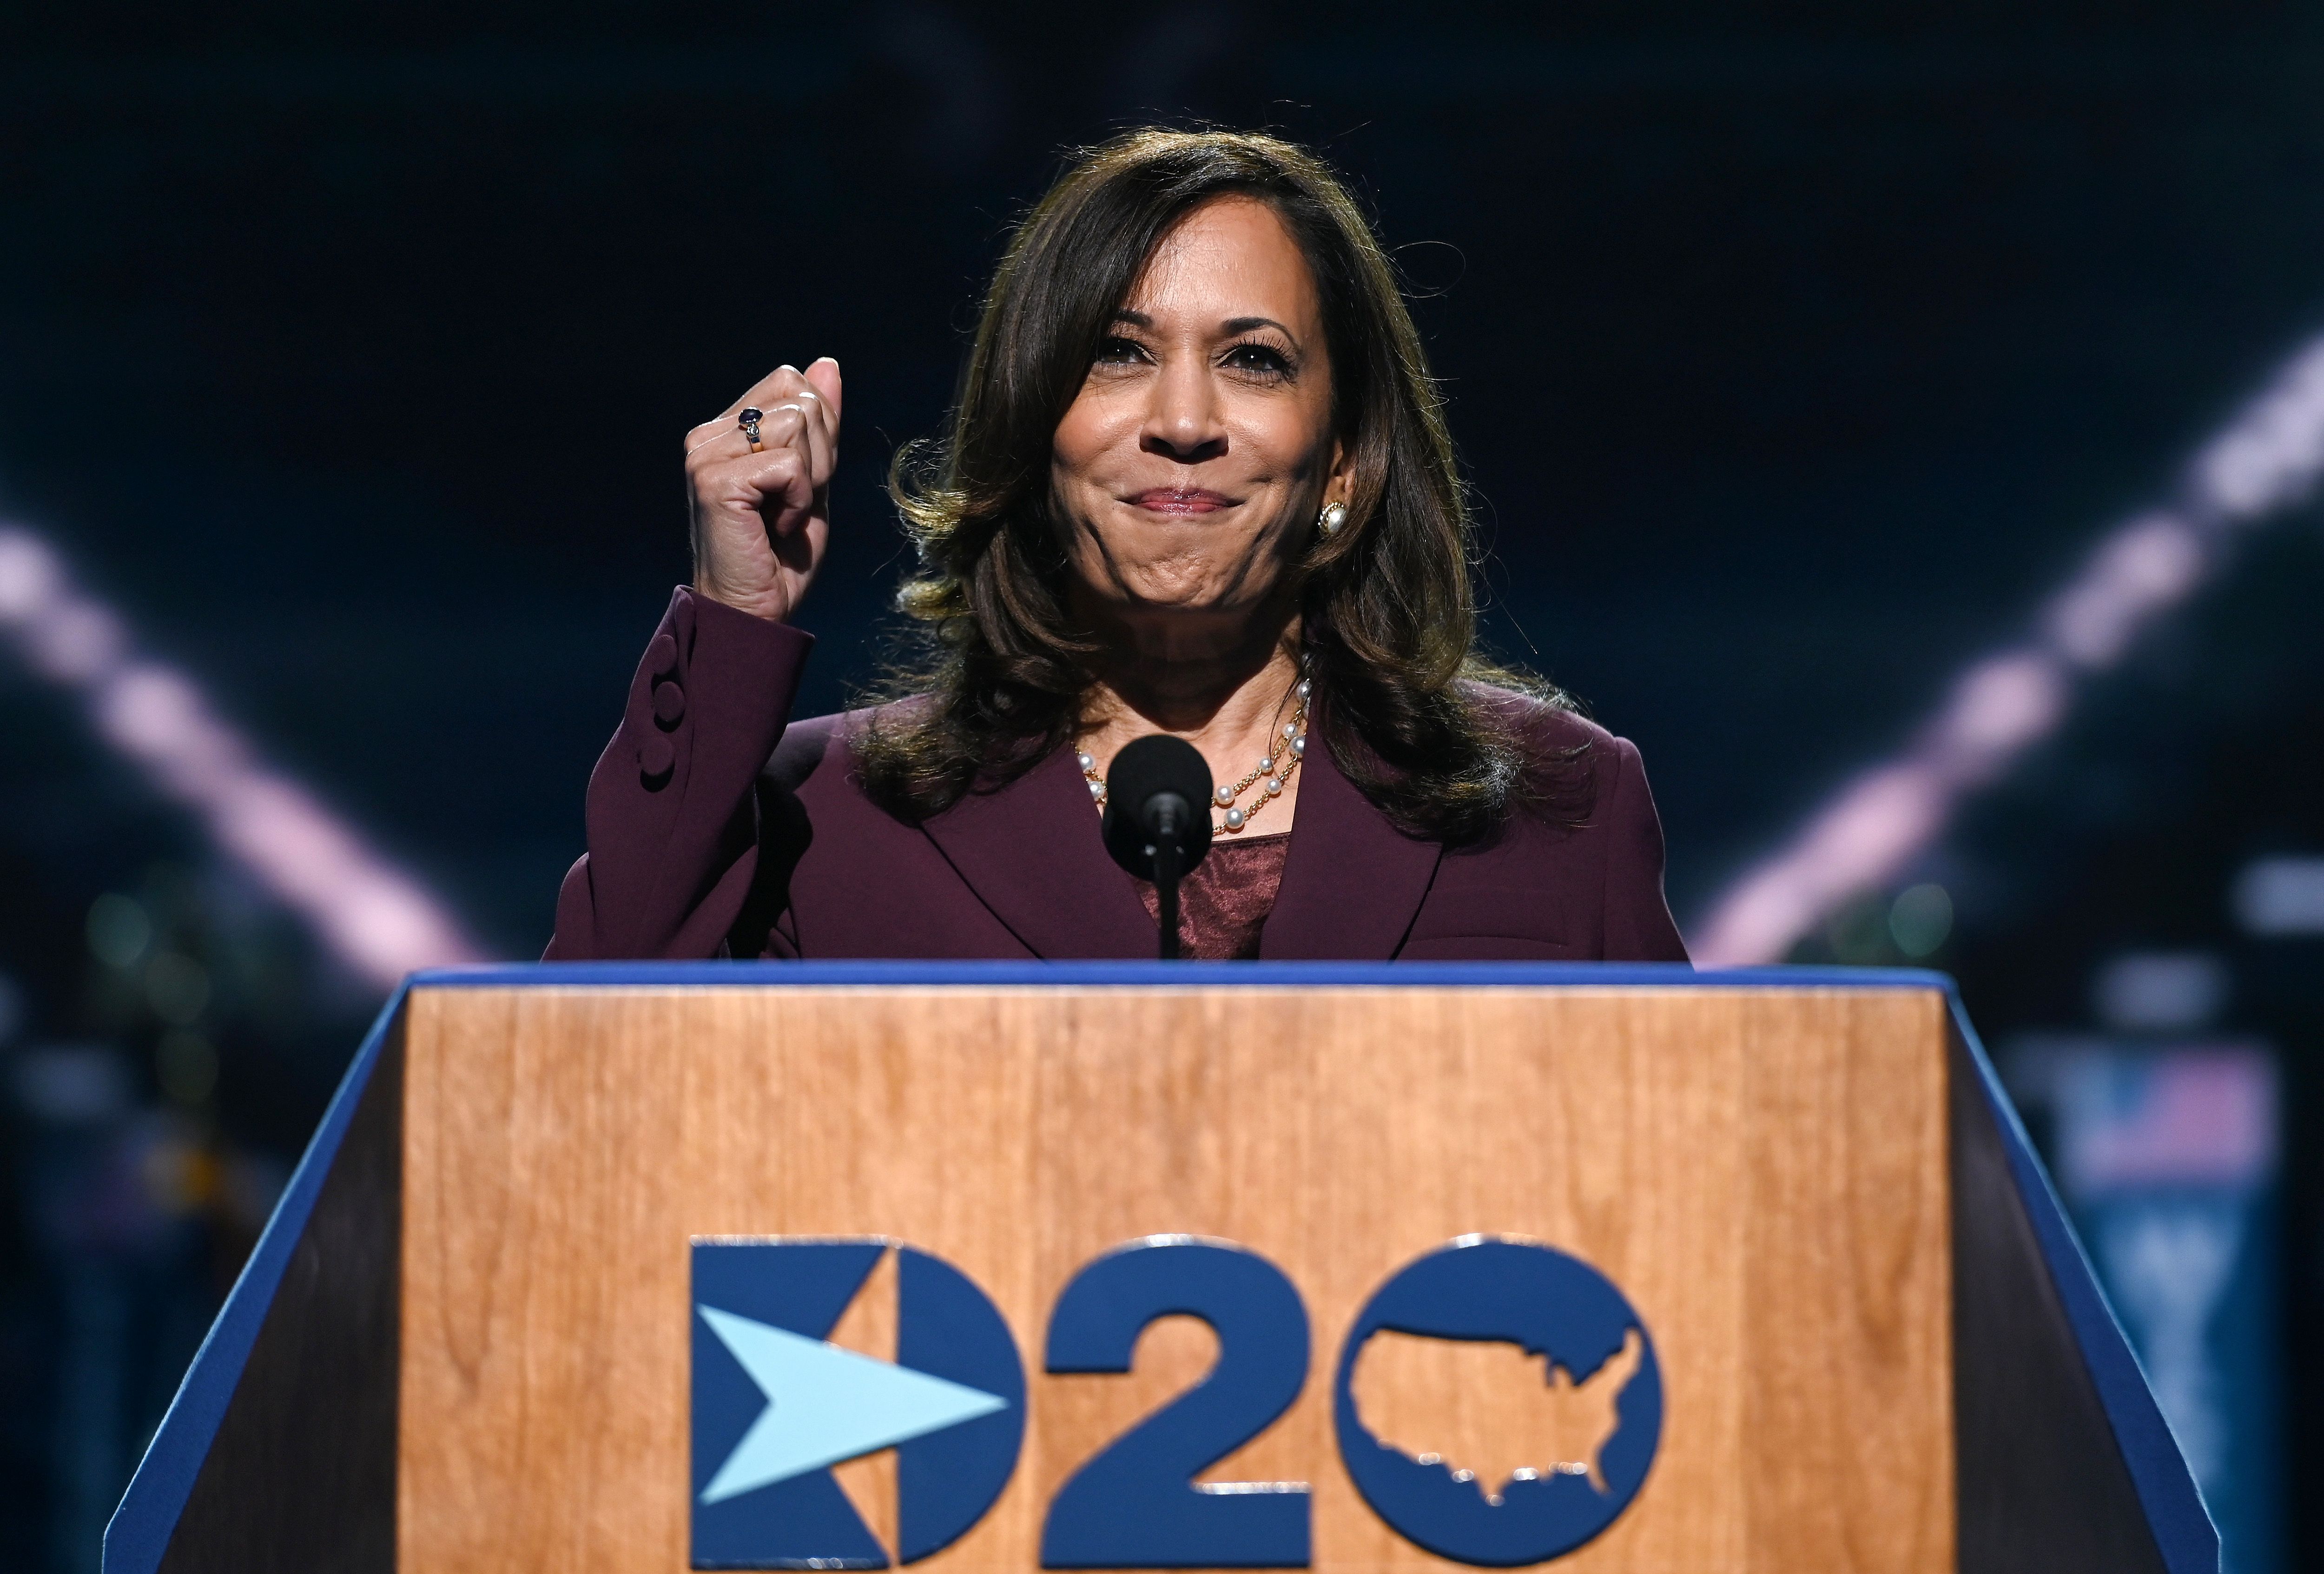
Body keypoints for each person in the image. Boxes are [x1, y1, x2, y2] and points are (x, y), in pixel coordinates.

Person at [547, 129, 1689, 964]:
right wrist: (733, 621)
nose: (1183, 422)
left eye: (1253, 359)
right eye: (1117, 353)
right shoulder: (826, 818)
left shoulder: (1561, 810)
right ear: (1034, 434)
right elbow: (566, 1087)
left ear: (1344, 460)